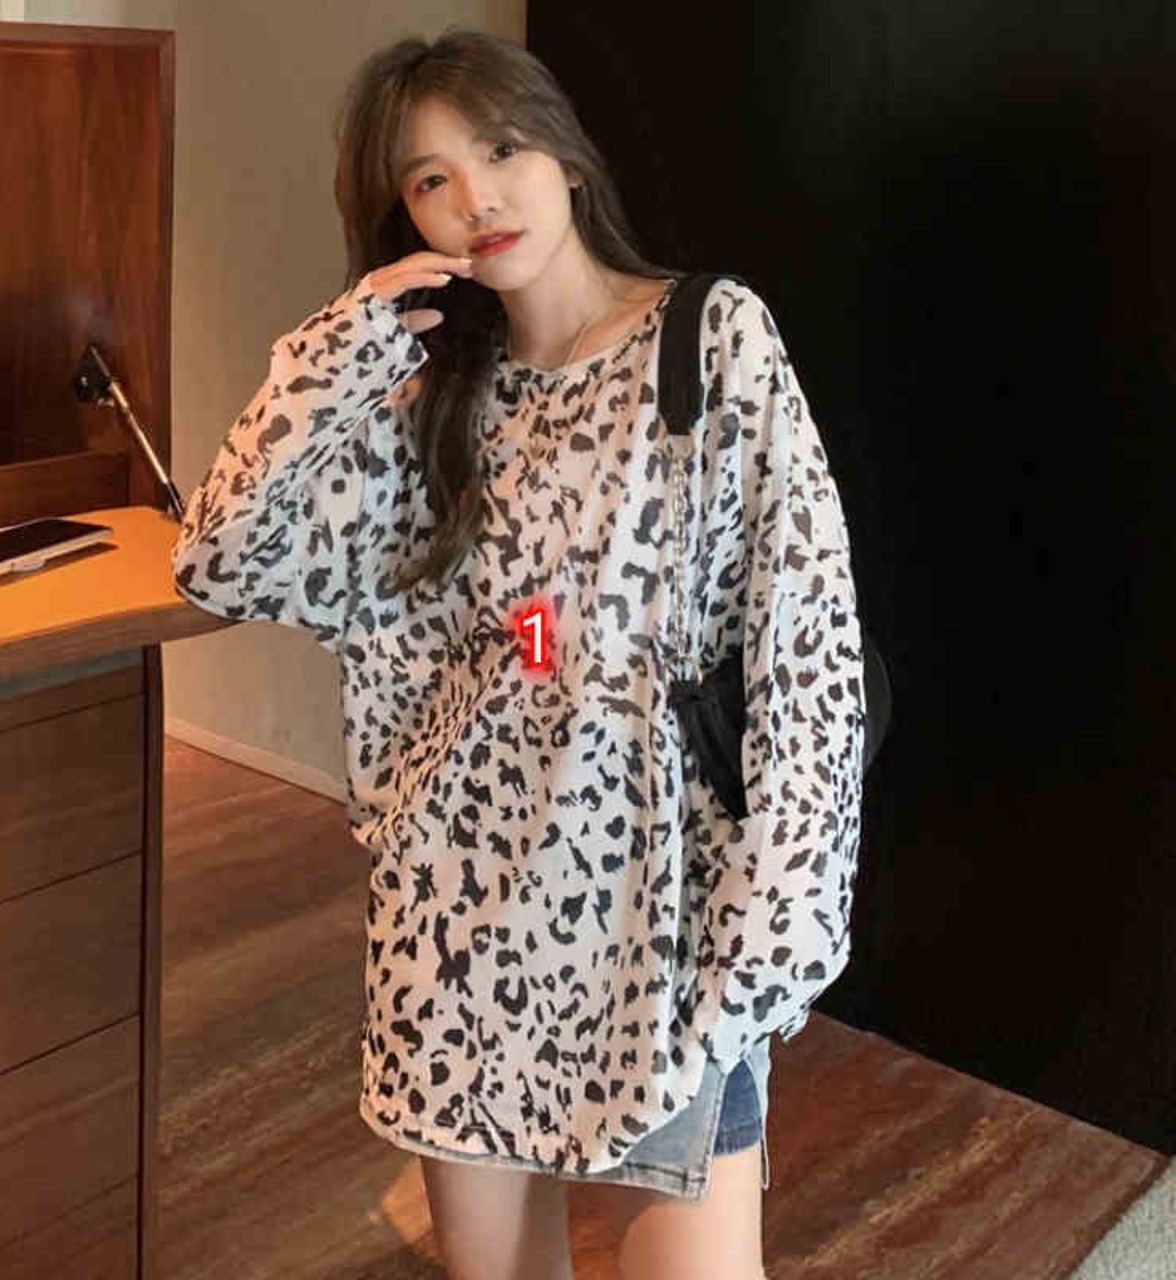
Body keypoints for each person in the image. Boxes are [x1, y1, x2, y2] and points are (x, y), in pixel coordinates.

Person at [170, 26, 865, 1280]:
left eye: (497, 149)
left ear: (564, 153)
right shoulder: (432, 396)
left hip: (664, 922)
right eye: (429, 178)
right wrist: (344, 340)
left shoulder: (706, 339)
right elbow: (220, 559)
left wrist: (776, 926)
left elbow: (807, 644)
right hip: (462, 914)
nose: (475, 198)